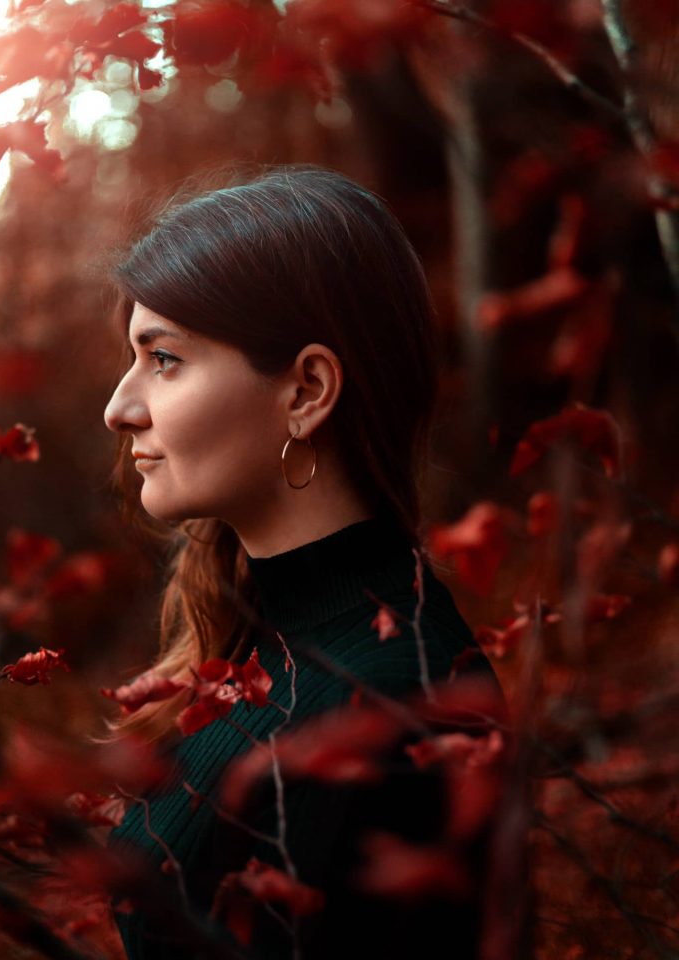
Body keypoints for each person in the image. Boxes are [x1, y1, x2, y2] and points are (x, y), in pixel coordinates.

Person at [101, 163, 508, 959]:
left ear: (307, 390)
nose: (120, 406)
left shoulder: (392, 711)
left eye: (165, 359)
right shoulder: (264, 646)